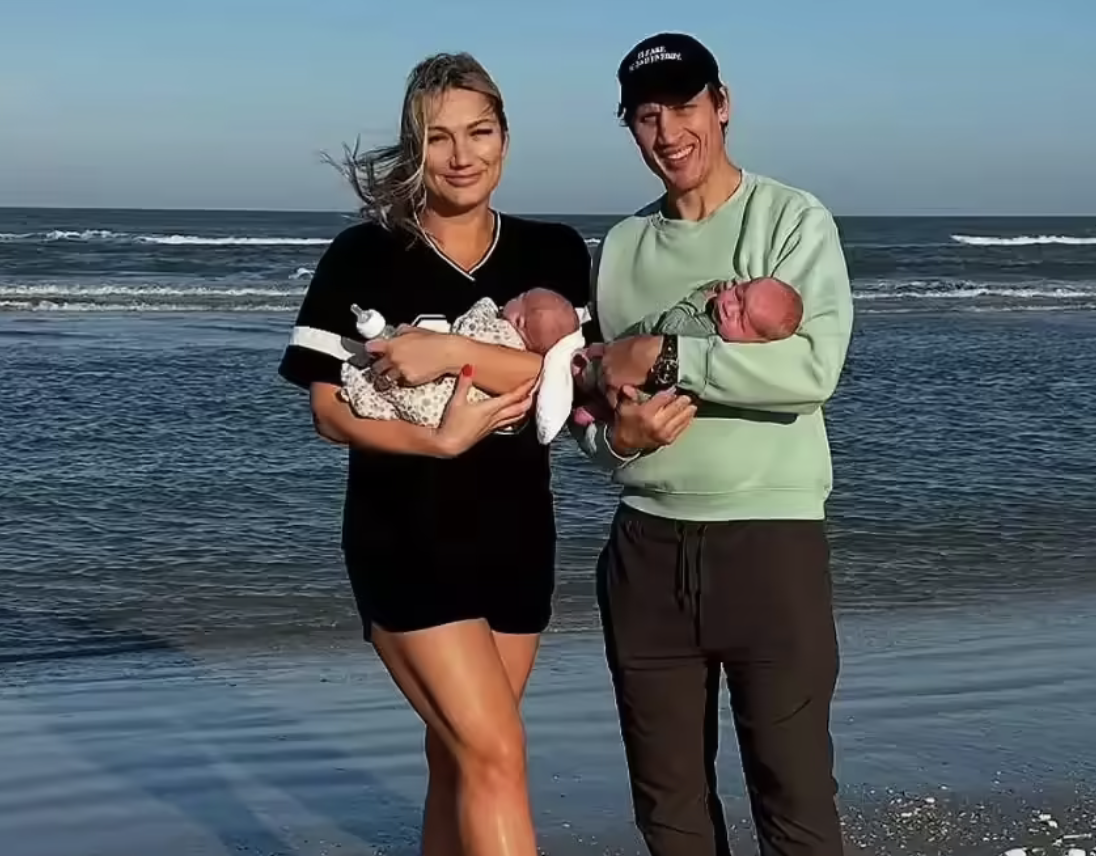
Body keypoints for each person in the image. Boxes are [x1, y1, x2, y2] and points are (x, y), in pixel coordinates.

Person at [277, 52, 593, 856]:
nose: (462, 155)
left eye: (479, 132)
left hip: (520, 541)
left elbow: (577, 379)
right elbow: (327, 413)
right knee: (496, 752)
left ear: (506, 140)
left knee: (462, 758)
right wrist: (435, 438)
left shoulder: (553, 252)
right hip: (404, 539)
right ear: (415, 149)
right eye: (439, 137)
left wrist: (448, 356)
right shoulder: (362, 256)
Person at [567, 32, 856, 856]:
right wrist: (614, 442)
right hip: (646, 557)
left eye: (685, 107)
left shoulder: (791, 220)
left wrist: (665, 353)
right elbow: (589, 406)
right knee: (670, 813)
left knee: (795, 800)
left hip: (771, 547)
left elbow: (811, 369)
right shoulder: (620, 247)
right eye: (646, 117)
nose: (668, 133)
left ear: (722, 106)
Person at [569, 276, 802, 427]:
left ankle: (590, 385)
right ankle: (596, 408)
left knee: (600, 359)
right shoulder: (725, 347)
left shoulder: (705, 331)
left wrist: (699, 298)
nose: (730, 307)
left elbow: (670, 329)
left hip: (635, 370)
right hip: (648, 387)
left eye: (742, 318)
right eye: (738, 294)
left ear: (755, 342)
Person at [341, 287, 582, 428]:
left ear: (519, 321)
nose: (513, 297)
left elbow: (470, 328)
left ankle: (363, 387)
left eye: (521, 297)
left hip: (438, 401)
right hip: (437, 418)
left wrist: (452, 351)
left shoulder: (499, 329)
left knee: (394, 385)